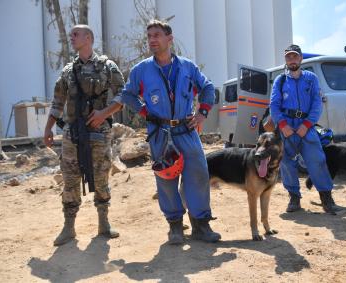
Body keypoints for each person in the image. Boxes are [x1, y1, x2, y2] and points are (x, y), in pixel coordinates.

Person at [116, 20, 220, 244]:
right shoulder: (141, 70)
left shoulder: (187, 67)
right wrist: (145, 112)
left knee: (198, 175)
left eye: (157, 35)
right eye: (149, 36)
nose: (152, 40)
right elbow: (127, 94)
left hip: (187, 129)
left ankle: (201, 225)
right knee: (166, 177)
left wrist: (202, 112)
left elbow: (208, 87)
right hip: (160, 133)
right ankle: (175, 227)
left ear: (169, 39)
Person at [44, 24, 125, 246]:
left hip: (99, 132)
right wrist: (48, 127)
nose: (71, 38)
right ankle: (69, 228)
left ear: (88, 38)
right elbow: (58, 101)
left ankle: (103, 223)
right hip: (72, 133)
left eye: (75, 34)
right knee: (70, 178)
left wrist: (103, 114)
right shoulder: (68, 71)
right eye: (71, 34)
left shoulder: (107, 66)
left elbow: (122, 96)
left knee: (101, 176)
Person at [269, 44, 340, 214]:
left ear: (300, 58)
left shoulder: (311, 78)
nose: (292, 60)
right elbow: (274, 104)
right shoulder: (280, 81)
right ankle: (294, 198)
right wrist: (283, 125)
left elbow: (317, 103)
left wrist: (307, 125)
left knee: (317, 160)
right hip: (286, 127)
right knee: (286, 163)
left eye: (295, 56)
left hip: (306, 127)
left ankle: (326, 197)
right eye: (288, 57)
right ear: (286, 60)